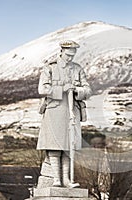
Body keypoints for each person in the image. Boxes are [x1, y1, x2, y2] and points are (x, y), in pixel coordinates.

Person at [37, 40, 91, 187]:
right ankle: (56, 179)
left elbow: (88, 90)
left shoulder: (77, 69)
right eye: (68, 55)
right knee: (54, 146)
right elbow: (42, 89)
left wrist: (76, 90)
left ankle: (66, 179)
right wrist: (62, 89)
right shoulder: (50, 68)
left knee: (68, 146)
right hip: (54, 110)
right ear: (61, 51)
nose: (70, 58)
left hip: (72, 111)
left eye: (72, 56)